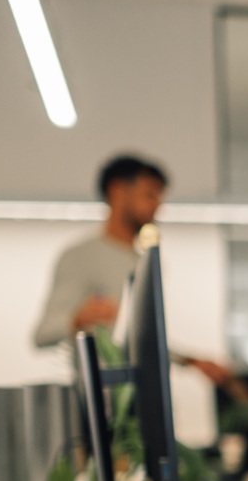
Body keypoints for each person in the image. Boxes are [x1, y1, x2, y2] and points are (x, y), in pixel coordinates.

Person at [33, 154, 167, 363]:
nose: (157, 205)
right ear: (117, 190)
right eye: (149, 195)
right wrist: (77, 319)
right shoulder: (81, 257)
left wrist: (191, 360)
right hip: (99, 392)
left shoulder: (143, 264)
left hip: (144, 390)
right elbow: (43, 333)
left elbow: (139, 343)